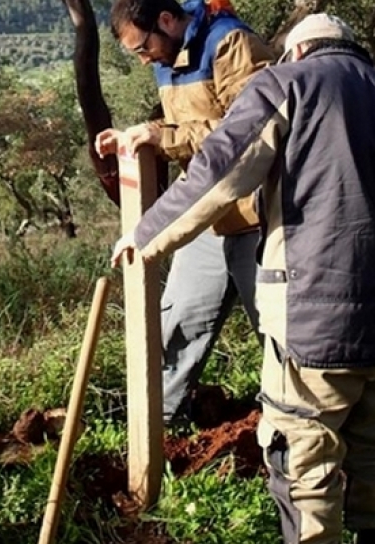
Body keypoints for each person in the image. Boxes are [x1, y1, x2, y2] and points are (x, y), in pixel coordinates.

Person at [111, 12, 375, 544]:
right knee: (373, 446)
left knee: (302, 460)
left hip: (311, 325)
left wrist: (147, 236)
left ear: (298, 53)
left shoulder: (286, 84)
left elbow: (222, 166)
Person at [95, 0, 276, 425]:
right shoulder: (167, 55)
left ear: (166, 20)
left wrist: (163, 136)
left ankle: (304, 427)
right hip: (206, 216)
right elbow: (189, 127)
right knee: (176, 326)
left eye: (142, 49)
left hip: (259, 218)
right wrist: (137, 137)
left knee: (279, 333)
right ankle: (155, 424)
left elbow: (249, 132)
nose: (144, 61)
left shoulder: (232, 44)